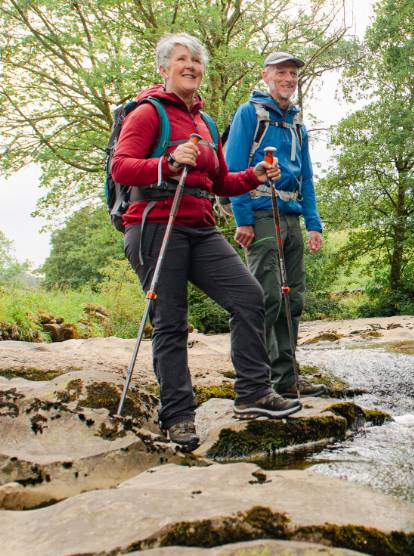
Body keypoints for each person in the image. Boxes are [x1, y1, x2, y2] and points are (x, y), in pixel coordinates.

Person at [112, 33, 302, 451]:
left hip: (199, 225)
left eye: (197, 61)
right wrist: (166, 162)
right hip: (155, 226)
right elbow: (121, 167)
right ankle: (178, 416)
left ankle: (253, 393)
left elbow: (220, 182)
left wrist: (253, 177)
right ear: (164, 68)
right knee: (171, 322)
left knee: (250, 296)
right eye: (182, 60)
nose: (191, 67)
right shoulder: (147, 114)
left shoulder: (206, 122)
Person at [225, 51, 326, 398]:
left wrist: (314, 223)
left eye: (293, 75)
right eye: (282, 73)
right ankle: (263, 381)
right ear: (266, 75)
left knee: (292, 300)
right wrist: (243, 219)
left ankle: (287, 379)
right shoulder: (249, 114)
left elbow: (307, 177)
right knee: (265, 297)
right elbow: (232, 169)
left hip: (291, 215)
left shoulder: (298, 123)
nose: (288, 80)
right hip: (259, 210)